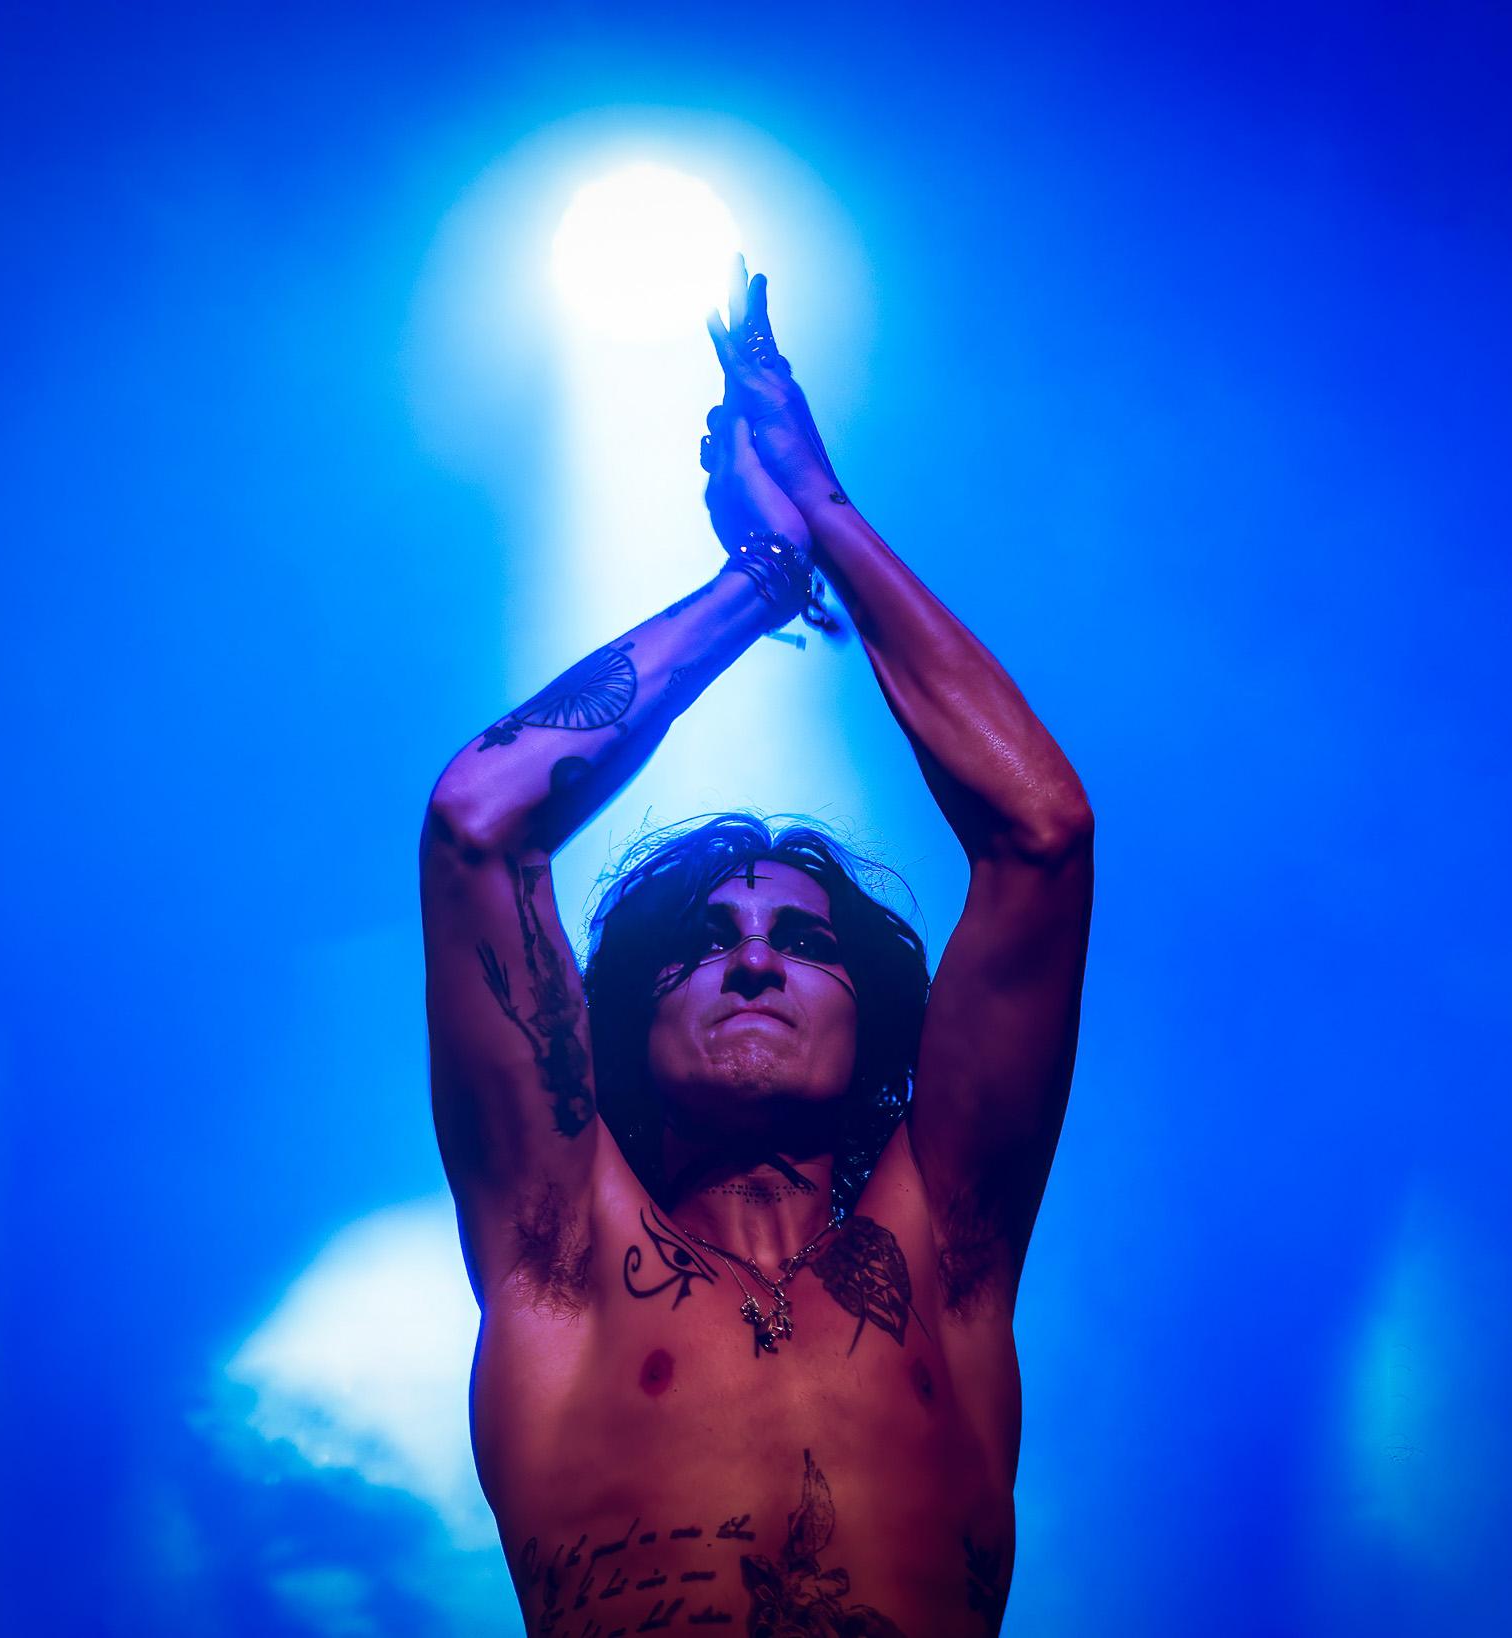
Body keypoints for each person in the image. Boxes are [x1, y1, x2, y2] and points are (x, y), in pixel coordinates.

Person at [421, 259, 1093, 1637]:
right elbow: (480, 822)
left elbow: (1043, 832)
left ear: (875, 1022)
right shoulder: (565, 1255)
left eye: (800, 938)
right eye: (702, 940)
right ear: (622, 1023)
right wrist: (760, 580)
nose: (753, 960)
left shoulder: (946, 1259)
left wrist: (827, 510)